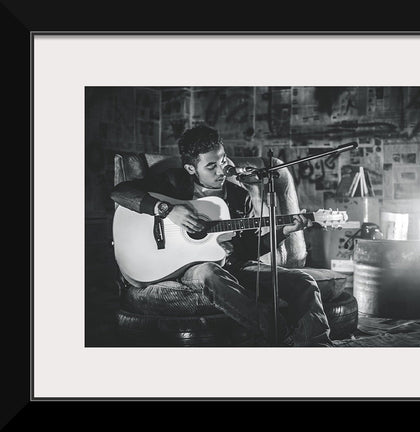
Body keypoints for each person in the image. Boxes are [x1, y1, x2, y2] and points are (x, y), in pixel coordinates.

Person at [110, 124, 333, 347]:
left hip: (233, 266)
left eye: (223, 160)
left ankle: (318, 346)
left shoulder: (238, 196)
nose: (221, 170)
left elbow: (250, 247)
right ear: (190, 169)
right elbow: (120, 193)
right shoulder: (172, 183)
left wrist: (282, 232)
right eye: (211, 166)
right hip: (191, 267)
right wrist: (167, 210)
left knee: (304, 282)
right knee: (210, 272)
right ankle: (281, 337)